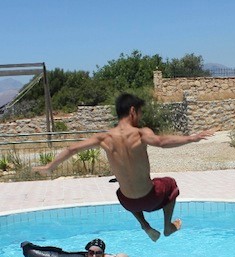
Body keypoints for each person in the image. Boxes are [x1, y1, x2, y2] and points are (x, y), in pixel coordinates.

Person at [33, 93, 218, 242]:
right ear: (132, 111)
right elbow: (161, 142)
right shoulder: (140, 133)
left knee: (122, 191)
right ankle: (168, 226)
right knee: (170, 183)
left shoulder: (103, 138)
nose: (140, 116)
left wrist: (50, 167)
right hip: (152, 198)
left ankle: (145, 225)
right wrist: (192, 138)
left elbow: (71, 148)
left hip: (128, 202)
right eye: (140, 112)